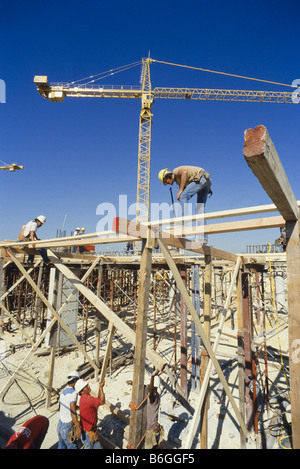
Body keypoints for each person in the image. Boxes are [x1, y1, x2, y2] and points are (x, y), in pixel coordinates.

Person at [75, 378, 105, 449]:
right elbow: (102, 402)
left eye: (87, 385)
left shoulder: (83, 398)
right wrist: (101, 388)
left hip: (87, 433)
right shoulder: (88, 399)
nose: (89, 386)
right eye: (86, 386)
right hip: (89, 435)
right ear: (81, 391)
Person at [57, 371, 81, 449]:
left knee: (61, 446)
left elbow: (63, 406)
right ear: (75, 381)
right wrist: (77, 427)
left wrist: (77, 407)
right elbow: (72, 412)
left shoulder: (63, 392)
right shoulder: (74, 393)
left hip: (60, 424)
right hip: (67, 426)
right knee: (72, 447)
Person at [145, 371, 162, 450]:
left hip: (151, 430)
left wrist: (152, 377)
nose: (148, 387)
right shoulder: (156, 395)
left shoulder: (153, 398)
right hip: (154, 428)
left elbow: (151, 391)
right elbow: (149, 389)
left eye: (149, 386)